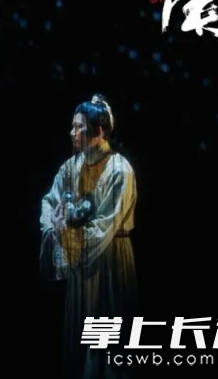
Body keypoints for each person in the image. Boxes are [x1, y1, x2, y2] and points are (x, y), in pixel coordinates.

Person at [39, 94, 138, 379]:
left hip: (110, 259)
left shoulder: (120, 170)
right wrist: (55, 227)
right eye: (72, 127)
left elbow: (107, 223)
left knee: (108, 339)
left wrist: (70, 233)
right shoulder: (71, 167)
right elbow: (50, 202)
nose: (72, 133)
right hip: (81, 260)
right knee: (81, 340)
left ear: (99, 131)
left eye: (78, 127)